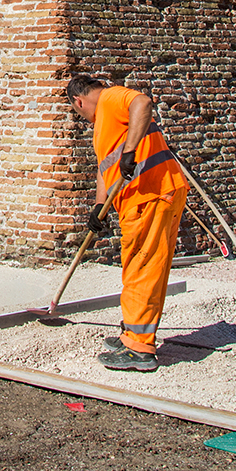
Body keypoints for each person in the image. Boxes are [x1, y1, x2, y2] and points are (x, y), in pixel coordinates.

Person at [67, 72, 188, 373]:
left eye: (76, 111)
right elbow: (105, 167)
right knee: (142, 267)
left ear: (78, 101)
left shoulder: (111, 98)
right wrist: (99, 207)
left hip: (151, 194)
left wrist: (132, 151)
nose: (81, 117)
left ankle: (139, 348)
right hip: (148, 197)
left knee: (141, 268)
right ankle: (132, 334)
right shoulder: (103, 125)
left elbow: (143, 103)